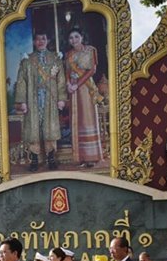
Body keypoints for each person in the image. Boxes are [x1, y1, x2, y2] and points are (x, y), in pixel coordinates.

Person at [14, 30, 67, 172]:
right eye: (37, 39)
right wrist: (22, 101)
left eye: (43, 38)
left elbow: (61, 80)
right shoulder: (27, 60)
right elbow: (21, 82)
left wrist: (61, 99)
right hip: (32, 99)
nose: (40, 41)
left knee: (49, 128)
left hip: (50, 99)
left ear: (47, 40)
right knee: (33, 129)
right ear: (34, 42)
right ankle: (34, 160)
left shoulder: (56, 59)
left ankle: (51, 158)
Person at [64, 27, 105, 166]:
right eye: (71, 38)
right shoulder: (69, 54)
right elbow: (68, 71)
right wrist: (69, 83)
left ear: (82, 37)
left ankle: (92, 157)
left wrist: (78, 84)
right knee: (77, 121)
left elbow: (92, 70)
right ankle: (81, 157)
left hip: (86, 89)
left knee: (88, 119)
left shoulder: (90, 50)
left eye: (76, 36)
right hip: (74, 91)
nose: (73, 40)